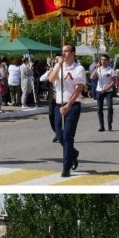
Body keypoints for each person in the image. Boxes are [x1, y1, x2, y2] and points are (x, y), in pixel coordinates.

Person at [40, 44, 86, 177]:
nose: (63, 53)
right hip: (58, 104)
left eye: (66, 51)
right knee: (59, 135)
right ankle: (73, 152)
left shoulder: (79, 69)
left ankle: (66, 167)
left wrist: (68, 106)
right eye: (63, 51)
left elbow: (78, 89)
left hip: (72, 105)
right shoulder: (59, 66)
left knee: (67, 137)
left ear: (73, 53)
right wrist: (58, 65)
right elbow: (51, 79)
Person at [91, 53, 116, 132]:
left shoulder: (111, 70)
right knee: (99, 109)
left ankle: (109, 123)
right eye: (102, 60)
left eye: (105, 60)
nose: (103, 61)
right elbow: (92, 77)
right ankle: (102, 126)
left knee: (109, 108)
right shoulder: (98, 69)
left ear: (108, 61)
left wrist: (106, 89)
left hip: (108, 91)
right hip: (99, 90)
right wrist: (96, 68)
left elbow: (113, 82)